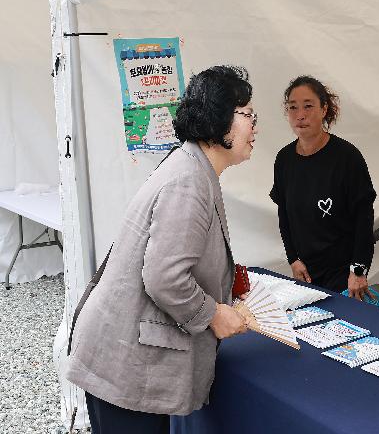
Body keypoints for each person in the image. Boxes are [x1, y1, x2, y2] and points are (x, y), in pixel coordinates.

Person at [65, 65, 257, 433]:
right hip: (125, 365)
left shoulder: (193, 167)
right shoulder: (188, 182)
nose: (255, 126)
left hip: (128, 357)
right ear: (219, 121)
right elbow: (164, 277)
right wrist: (214, 313)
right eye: (247, 115)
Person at [270, 75, 376, 298]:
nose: (300, 115)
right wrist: (293, 258)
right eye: (293, 107)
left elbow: (363, 218)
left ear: (324, 109)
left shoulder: (347, 158)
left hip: (343, 273)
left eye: (308, 106)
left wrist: (358, 270)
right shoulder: (284, 159)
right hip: (305, 272)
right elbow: (284, 214)